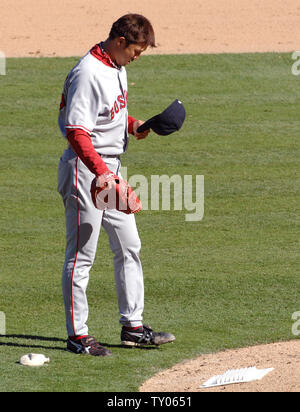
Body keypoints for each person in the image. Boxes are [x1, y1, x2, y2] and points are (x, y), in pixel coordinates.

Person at [57, 14, 175, 356]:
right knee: (82, 256)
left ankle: (133, 327)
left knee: (129, 244)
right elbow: (76, 130)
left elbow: (109, 114)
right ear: (120, 41)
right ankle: (78, 335)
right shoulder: (88, 73)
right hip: (85, 169)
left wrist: (133, 125)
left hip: (109, 169)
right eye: (136, 51)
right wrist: (102, 172)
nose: (137, 57)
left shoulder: (116, 66)